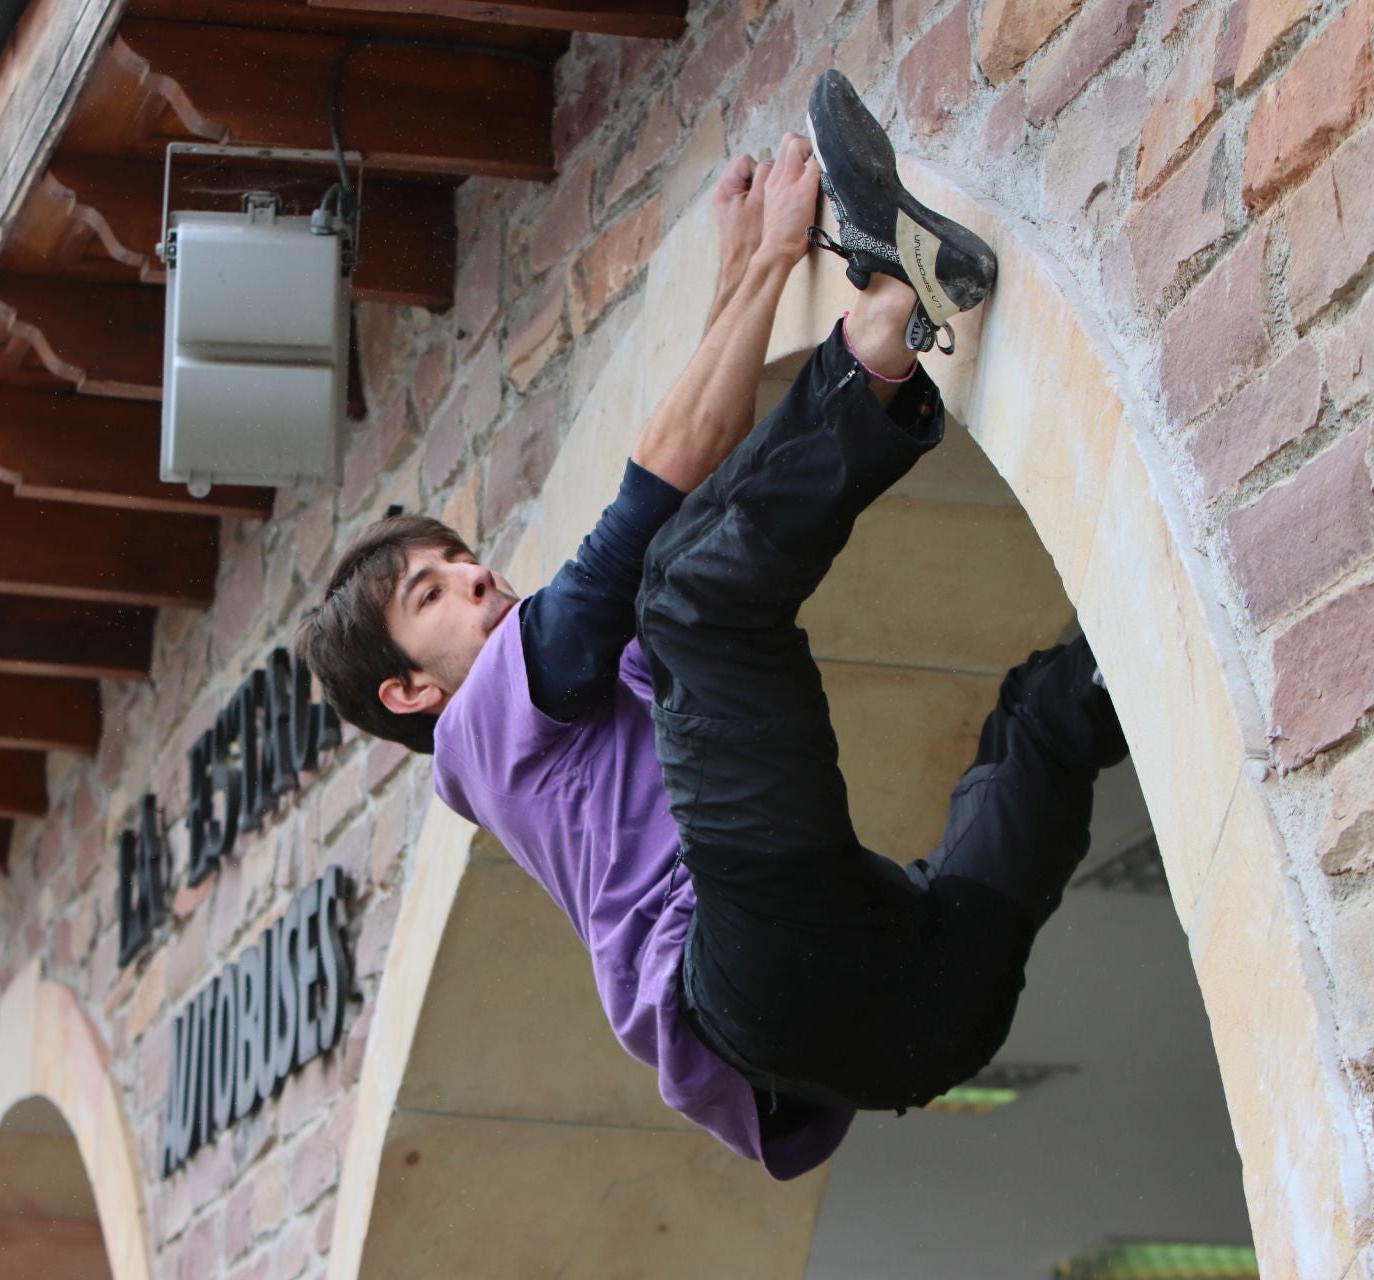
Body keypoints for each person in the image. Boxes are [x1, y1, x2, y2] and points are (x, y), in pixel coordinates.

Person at [294, 70, 1126, 1178]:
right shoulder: (479, 737)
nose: (476, 575)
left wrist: (740, 277)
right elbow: (662, 500)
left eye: (457, 556)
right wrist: (778, 258)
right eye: (431, 593)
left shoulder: (576, 711)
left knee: (1050, 713)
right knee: (685, 590)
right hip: (757, 974)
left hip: (918, 1021)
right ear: (409, 691)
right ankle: (889, 312)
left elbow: (710, 503)